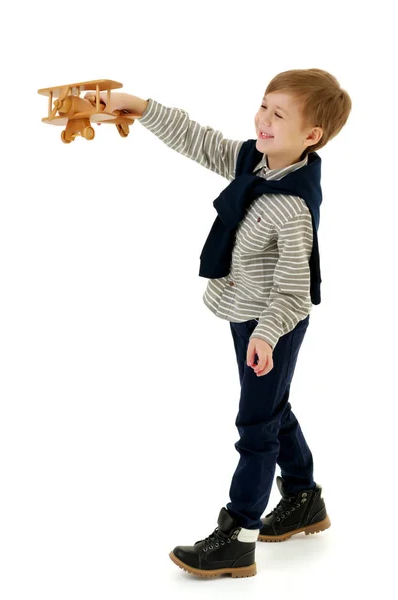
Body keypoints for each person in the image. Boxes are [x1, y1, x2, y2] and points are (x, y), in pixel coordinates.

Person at [84, 68, 352, 579]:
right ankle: (302, 497)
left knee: (255, 427)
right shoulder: (254, 160)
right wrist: (136, 105)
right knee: (271, 407)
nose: (263, 119)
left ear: (311, 135)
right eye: (263, 105)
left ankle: (238, 535)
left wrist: (268, 335)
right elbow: (196, 138)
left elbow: (296, 292)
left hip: (273, 323)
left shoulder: (292, 206)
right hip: (244, 314)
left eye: (279, 114)